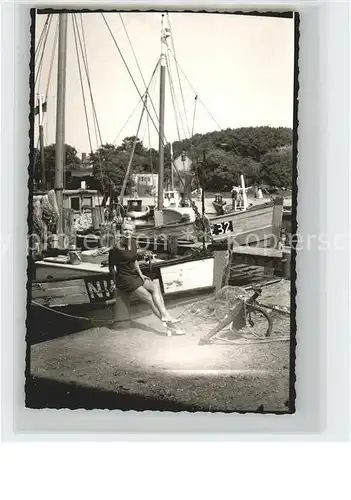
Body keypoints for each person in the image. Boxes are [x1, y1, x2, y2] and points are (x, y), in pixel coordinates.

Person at [108, 220, 185, 335]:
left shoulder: (133, 242)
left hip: (134, 275)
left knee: (154, 287)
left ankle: (165, 315)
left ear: (133, 231)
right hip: (125, 279)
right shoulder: (116, 247)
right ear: (121, 230)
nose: (127, 232)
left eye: (130, 229)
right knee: (149, 299)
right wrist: (114, 282)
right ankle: (172, 327)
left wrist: (140, 274)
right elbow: (111, 266)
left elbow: (134, 260)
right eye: (125, 229)